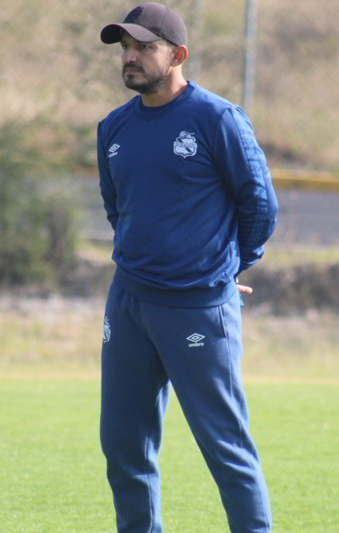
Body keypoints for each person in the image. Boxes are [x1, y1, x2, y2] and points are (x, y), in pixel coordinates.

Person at [96, 3, 277, 532]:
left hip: (197, 308)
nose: (130, 58)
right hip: (128, 304)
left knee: (226, 450)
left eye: (143, 48)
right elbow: (119, 208)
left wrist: (228, 267)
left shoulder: (216, 119)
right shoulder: (113, 128)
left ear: (177, 55)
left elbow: (259, 205)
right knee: (124, 448)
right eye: (125, 48)